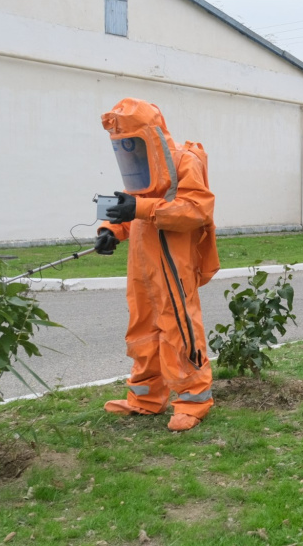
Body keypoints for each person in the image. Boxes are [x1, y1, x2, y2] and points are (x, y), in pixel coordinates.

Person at [94, 98, 220, 432]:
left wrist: (140, 209)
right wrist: (109, 230)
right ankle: (145, 398)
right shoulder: (142, 167)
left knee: (179, 327)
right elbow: (130, 205)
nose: (128, 148)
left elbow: (195, 209)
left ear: (150, 135)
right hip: (142, 265)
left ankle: (193, 401)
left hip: (173, 264)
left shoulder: (185, 162)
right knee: (142, 329)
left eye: (132, 139)